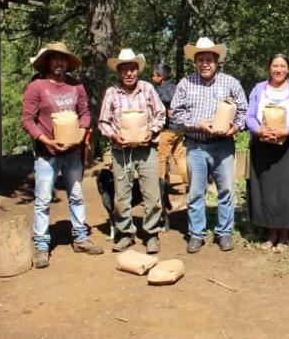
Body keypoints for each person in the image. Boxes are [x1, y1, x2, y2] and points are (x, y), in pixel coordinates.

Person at [21, 42, 103, 269]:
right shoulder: (36, 86)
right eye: (56, 58)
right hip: (47, 154)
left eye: (64, 59)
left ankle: (80, 237)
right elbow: (27, 119)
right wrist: (45, 139)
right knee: (43, 199)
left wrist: (83, 131)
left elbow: (85, 113)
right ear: (47, 61)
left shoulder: (76, 85)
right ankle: (41, 245)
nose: (60, 62)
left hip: (73, 152)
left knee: (76, 194)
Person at [170, 37, 248, 254]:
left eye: (209, 59)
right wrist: (198, 124)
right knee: (196, 192)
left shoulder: (230, 83)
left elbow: (243, 110)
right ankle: (197, 234)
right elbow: (176, 113)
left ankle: (224, 233)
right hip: (195, 145)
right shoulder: (186, 83)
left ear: (217, 61)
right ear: (195, 62)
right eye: (201, 59)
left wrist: (236, 127)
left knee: (226, 191)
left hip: (223, 145)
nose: (205, 63)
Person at [99, 48, 166, 253]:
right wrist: (114, 135)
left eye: (132, 69)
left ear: (138, 70)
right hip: (121, 152)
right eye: (124, 69)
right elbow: (103, 122)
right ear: (118, 72)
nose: (129, 73)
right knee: (121, 196)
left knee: (152, 194)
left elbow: (161, 115)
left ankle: (152, 233)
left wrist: (151, 131)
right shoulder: (111, 93)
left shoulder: (147, 89)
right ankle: (126, 233)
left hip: (147, 151)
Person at [246, 53, 289, 251]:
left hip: (288, 147)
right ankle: (271, 232)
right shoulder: (259, 89)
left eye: (282, 66)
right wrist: (258, 130)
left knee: (286, 191)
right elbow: (249, 115)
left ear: (288, 69)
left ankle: (284, 234)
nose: (278, 69)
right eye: (275, 66)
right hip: (262, 145)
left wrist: (286, 130)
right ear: (269, 68)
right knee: (267, 190)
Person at [151, 63, 188, 193]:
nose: (152, 78)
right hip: (180, 128)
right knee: (178, 156)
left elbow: (161, 106)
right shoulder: (176, 87)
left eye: (153, 75)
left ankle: (160, 186)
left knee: (162, 158)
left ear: (160, 77)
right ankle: (188, 181)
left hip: (168, 129)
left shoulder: (161, 90)